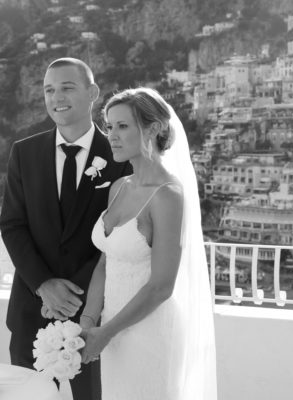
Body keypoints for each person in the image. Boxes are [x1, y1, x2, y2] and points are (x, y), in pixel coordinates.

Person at [0, 57, 132, 400]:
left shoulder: (120, 155)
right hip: (31, 311)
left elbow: (119, 238)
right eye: (49, 89)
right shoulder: (23, 153)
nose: (56, 96)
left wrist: (73, 297)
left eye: (67, 87)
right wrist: (43, 285)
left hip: (94, 316)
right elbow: (12, 224)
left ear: (93, 93)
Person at [80, 87, 217, 399]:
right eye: (109, 126)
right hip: (111, 332)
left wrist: (105, 332)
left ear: (153, 128)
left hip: (150, 332)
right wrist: (88, 323)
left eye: (123, 126)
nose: (112, 136)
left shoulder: (168, 195)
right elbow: (105, 261)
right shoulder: (118, 187)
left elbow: (161, 287)